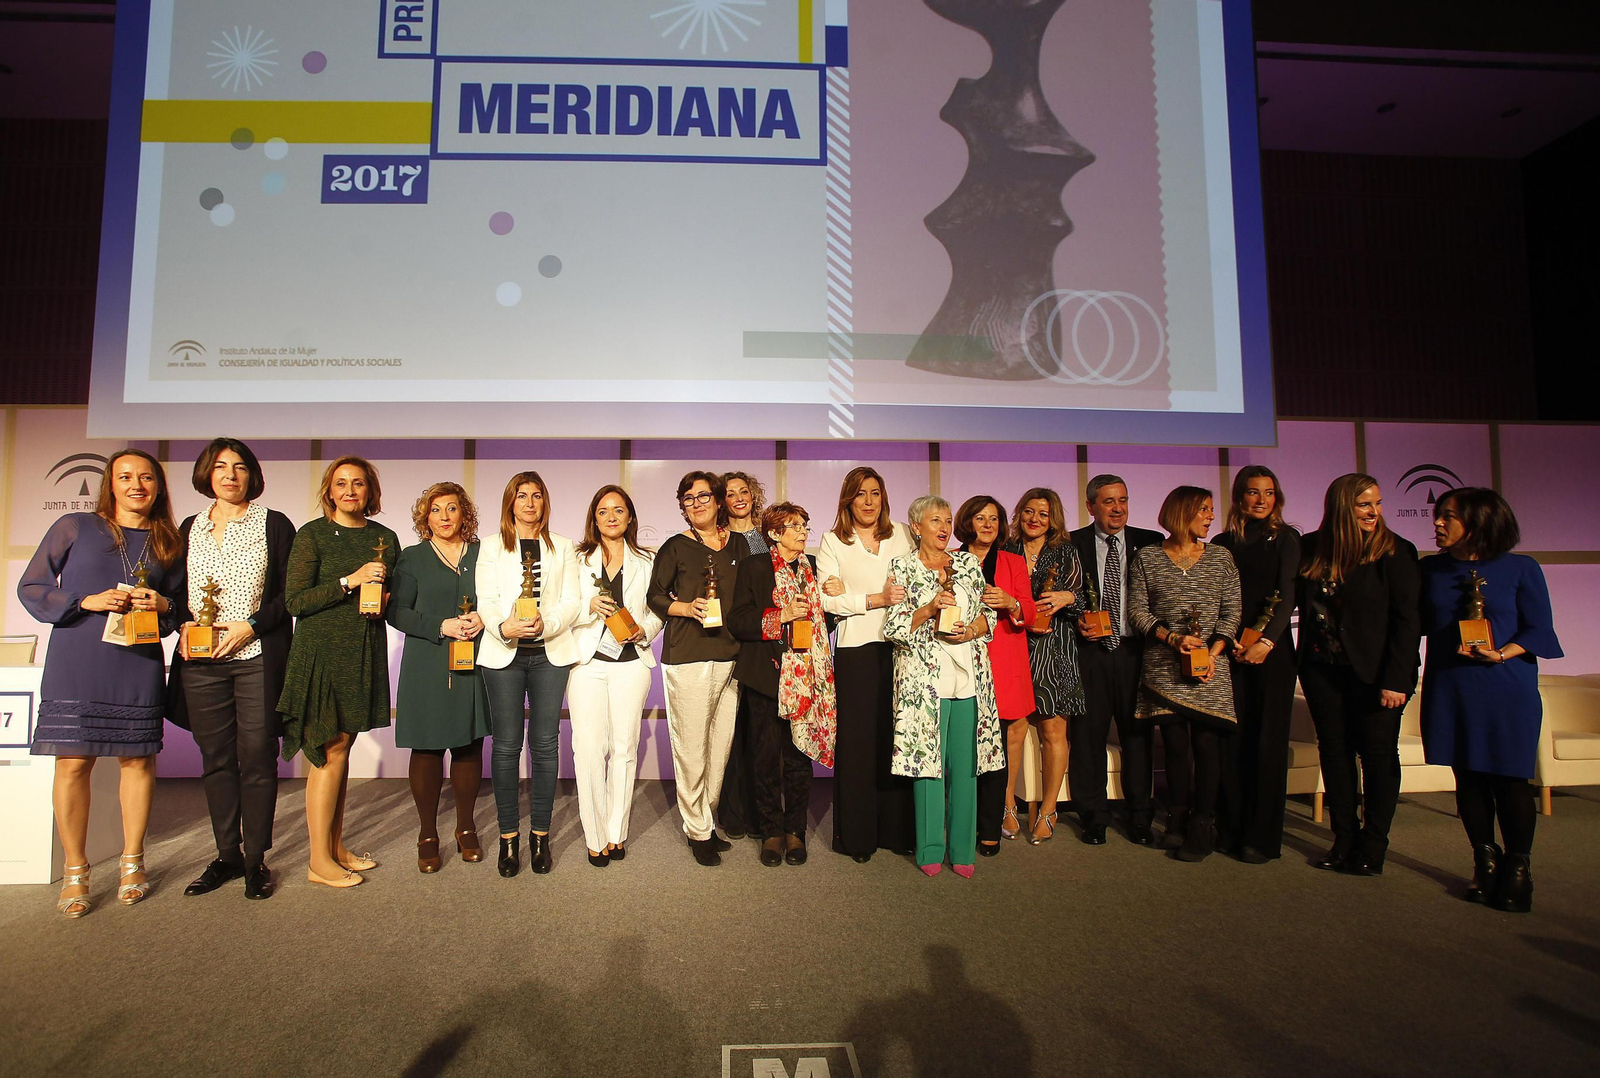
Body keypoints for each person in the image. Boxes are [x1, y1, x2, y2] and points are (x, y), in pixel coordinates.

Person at [19, 448, 183, 916]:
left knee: (138, 760)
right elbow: (31, 587)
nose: (136, 485)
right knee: (73, 763)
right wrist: (83, 601)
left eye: (146, 477)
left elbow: (179, 608)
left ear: (158, 485)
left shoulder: (169, 540)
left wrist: (162, 605)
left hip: (137, 660)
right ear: (110, 483)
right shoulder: (75, 525)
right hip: (78, 658)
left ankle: (133, 862)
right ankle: (76, 869)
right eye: (125, 476)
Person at [1420, 488, 1561, 912]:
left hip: (1505, 686)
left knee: (1510, 780)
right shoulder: (1430, 569)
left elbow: (1538, 629)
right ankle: (1484, 862)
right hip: (1451, 685)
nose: (1438, 523)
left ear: (1479, 522)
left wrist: (1500, 653)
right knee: (1468, 777)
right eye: (1438, 515)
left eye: (1448, 516)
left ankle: (1518, 869)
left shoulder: (1522, 568)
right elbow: (1413, 621)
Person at [169, 438, 295, 902]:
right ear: (207, 473)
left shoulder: (274, 524)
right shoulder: (190, 527)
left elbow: (289, 594)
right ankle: (226, 855)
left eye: (240, 467)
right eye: (221, 466)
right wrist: (180, 622)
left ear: (252, 475)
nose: (230, 474)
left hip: (256, 657)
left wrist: (251, 626)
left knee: (258, 757)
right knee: (216, 759)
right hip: (202, 665)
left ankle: (255, 859)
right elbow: (176, 594)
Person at [278, 455, 399, 888]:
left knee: (343, 749)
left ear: (370, 491)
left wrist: (384, 604)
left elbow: (389, 598)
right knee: (328, 750)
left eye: (358, 483)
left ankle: (335, 846)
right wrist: (350, 580)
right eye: (341, 483)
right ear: (329, 490)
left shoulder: (385, 538)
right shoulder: (311, 535)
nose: (350, 491)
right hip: (322, 653)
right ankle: (318, 861)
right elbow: (295, 601)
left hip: (362, 650)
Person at [1296, 472, 1421, 876]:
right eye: (1364, 504)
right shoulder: (1311, 547)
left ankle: (1373, 845)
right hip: (1322, 670)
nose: (1373, 512)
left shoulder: (1396, 551)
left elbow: (1408, 622)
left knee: (1378, 756)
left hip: (1378, 675)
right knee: (1335, 753)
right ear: (1341, 507)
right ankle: (1344, 839)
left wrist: (1397, 679)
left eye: (1378, 504)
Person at [883, 495, 1003, 878]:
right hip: (923, 683)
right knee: (927, 766)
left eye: (948, 521)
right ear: (916, 527)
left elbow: (989, 616)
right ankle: (930, 848)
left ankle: (963, 850)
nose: (944, 527)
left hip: (968, 677)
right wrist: (930, 608)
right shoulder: (902, 567)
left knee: (966, 768)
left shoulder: (967, 564)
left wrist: (971, 631)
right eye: (936, 520)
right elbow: (894, 627)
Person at [475, 470, 581, 877]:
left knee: (545, 745)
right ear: (510, 502)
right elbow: (486, 599)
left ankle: (540, 835)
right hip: (504, 654)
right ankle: (508, 838)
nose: (530, 502)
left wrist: (546, 624)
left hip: (549, 655)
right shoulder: (490, 546)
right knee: (505, 747)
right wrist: (504, 627)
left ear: (545, 502)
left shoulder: (563, 546)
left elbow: (572, 601)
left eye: (537, 495)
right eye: (522, 495)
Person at [1127, 486, 1241, 862]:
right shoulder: (1147, 557)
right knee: (1174, 746)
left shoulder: (1221, 557)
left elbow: (1232, 612)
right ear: (1182, 512)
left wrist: (1213, 653)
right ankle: (1176, 818)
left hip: (1209, 669)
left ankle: (1202, 824)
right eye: (1204, 510)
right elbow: (1137, 611)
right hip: (1164, 668)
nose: (1211, 517)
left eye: (1211, 510)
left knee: (1207, 745)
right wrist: (1172, 639)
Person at [388, 482, 490, 874]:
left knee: (468, 745)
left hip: (474, 660)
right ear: (425, 517)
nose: (444, 516)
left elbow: (499, 600)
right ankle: (427, 834)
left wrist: (484, 617)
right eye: (436, 509)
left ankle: (466, 827)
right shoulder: (412, 557)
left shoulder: (482, 554)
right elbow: (397, 612)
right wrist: (440, 625)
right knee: (427, 748)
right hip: (427, 662)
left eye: (452, 508)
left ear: (465, 514)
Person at [729, 502, 838, 866]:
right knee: (764, 759)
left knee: (798, 758)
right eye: (794, 526)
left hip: (807, 677)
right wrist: (780, 615)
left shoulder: (814, 567)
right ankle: (770, 832)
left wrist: (833, 601)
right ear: (775, 533)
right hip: (766, 676)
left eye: (805, 525)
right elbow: (738, 620)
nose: (803, 532)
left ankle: (795, 832)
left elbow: (825, 623)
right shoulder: (755, 566)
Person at [818, 467, 915, 862]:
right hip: (856, 650)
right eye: (860, 494)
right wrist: (876, 599)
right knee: (858, 743)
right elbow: (828, 601)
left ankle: (896, 830)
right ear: (848, 499)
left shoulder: (904, 535)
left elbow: (919, 585)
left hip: (902, 648)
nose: (869, 501)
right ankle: (857, 837)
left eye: (875, 493)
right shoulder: (832, 541)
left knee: (897, 738)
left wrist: (852, 597)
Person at [647, 470, 744, 866]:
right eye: (688, 499)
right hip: (688, 655)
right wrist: (686, 607)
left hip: (732, 656)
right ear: (683, 508)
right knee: (691, 750)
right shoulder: (675, 546)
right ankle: (698, 830)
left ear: (719, 501)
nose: (697, 504)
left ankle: (705, 816)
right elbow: (654, 596)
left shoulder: (740, 543)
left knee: (719, 749)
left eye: (704, 496)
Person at [569, 485, 663, 866]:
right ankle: (594, 836)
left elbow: (658, 611)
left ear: (630, 517)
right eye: (603, 511)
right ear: (594, 518)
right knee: (589, 749)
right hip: (587, 665)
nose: (611, 517)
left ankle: (616, 833)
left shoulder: (648, 560)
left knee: (624, 750)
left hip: (631, 664)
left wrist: (645, 630)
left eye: (619, 510)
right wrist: (588, 606)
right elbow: (563, 609)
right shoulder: (576, 559)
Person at [1211, 466, 1300, 863]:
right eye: (1253, 492)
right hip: (1229, 651)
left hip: (1272, 653)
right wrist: (1223, 640)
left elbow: (1288, 596)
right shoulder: (1222, 542)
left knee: (1267, 744)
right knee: (1230, 740)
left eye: (1268, 492)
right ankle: (1229, 828)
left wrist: (1265, 642)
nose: (1261, 500)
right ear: (1239, 496)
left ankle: (1261, 838)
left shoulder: (1286, 538)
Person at [1070, 475, 1164, 845]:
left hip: (1136, 652)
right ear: (1091, 506)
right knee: (1088, 737)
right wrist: (1076, 618)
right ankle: (1093, 816)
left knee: (1137, 737)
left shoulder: (1151, 542)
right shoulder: (1072, 543)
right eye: (1108, 501)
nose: (1118, 508)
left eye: (1123, 500)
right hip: (1090, 653)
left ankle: (1140, 816)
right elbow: (1060, 593)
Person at [1004, 487, 1086, 845]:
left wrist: (1068, 596)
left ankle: (1049, 809)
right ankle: (1007, 805)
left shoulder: (1066, 551)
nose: (1035, 519)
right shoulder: (1005, 549)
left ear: (1053, 519)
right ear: (1018, 514)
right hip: (1013, 644)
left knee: (1054, 731)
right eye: (1029, 511)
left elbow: (1085, 599)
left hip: (1056, 648)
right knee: (1014, 729)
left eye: (1043, 513)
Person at [954, 496, 1035, 856]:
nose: (987, 525)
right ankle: (961, 822)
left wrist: (1011, 602)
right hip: (960, 661)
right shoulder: (951, 560)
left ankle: (990, 827)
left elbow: (1029, 611)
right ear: (967, 523)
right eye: (980, 518)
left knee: (995, 749)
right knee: (960, 749)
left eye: (994, 519)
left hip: (1002, 663)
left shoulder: (1012, 562)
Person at [717, 470, 768, 841]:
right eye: (730, 492)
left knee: (758, 733)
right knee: (727, 733)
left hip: (760, 644)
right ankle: (730, 810)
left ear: (753, 496)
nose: (738, 497)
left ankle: (757, 810)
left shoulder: (766, 538)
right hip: (722, 640)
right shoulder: (717, 539)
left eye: (744, 491)